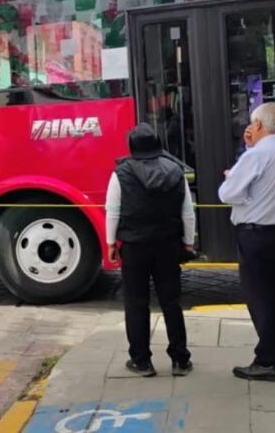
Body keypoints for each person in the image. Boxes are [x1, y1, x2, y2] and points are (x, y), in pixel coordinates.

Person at [219, 102, 275, 382]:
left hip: (258, 235)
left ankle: (268, 360)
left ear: (258, 125)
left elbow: (227, 193)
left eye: (252, 123)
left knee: (261, 299)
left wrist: (234, 176)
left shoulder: (256, 155)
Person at [105, 123, 195, 378]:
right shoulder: (176, 171)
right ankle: (180, 359)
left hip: (134, 246)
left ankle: (141, 361)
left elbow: (113, 211)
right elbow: (187, 211)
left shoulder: (121, 173)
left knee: (136, 303)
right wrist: (188, 242)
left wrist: (112, 243)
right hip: (168, 245)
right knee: (171, 302)